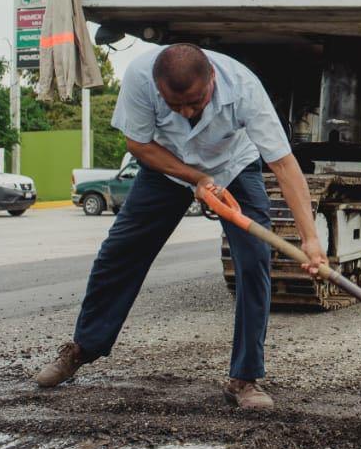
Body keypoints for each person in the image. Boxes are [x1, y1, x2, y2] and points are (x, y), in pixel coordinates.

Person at [33, 43, 327, 410]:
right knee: (120, 251)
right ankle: (82, 348)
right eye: (176, 106)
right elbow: (138, 144)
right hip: (169, 167)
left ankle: (245, 378)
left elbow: (284, 165)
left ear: (213, 81)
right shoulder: (140, 79)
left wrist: (310, 239)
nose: (187, 112)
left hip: (234, 164)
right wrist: (196, 178)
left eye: (195, 103)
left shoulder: (245, 89)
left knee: (254, 261)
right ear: (159, 89)